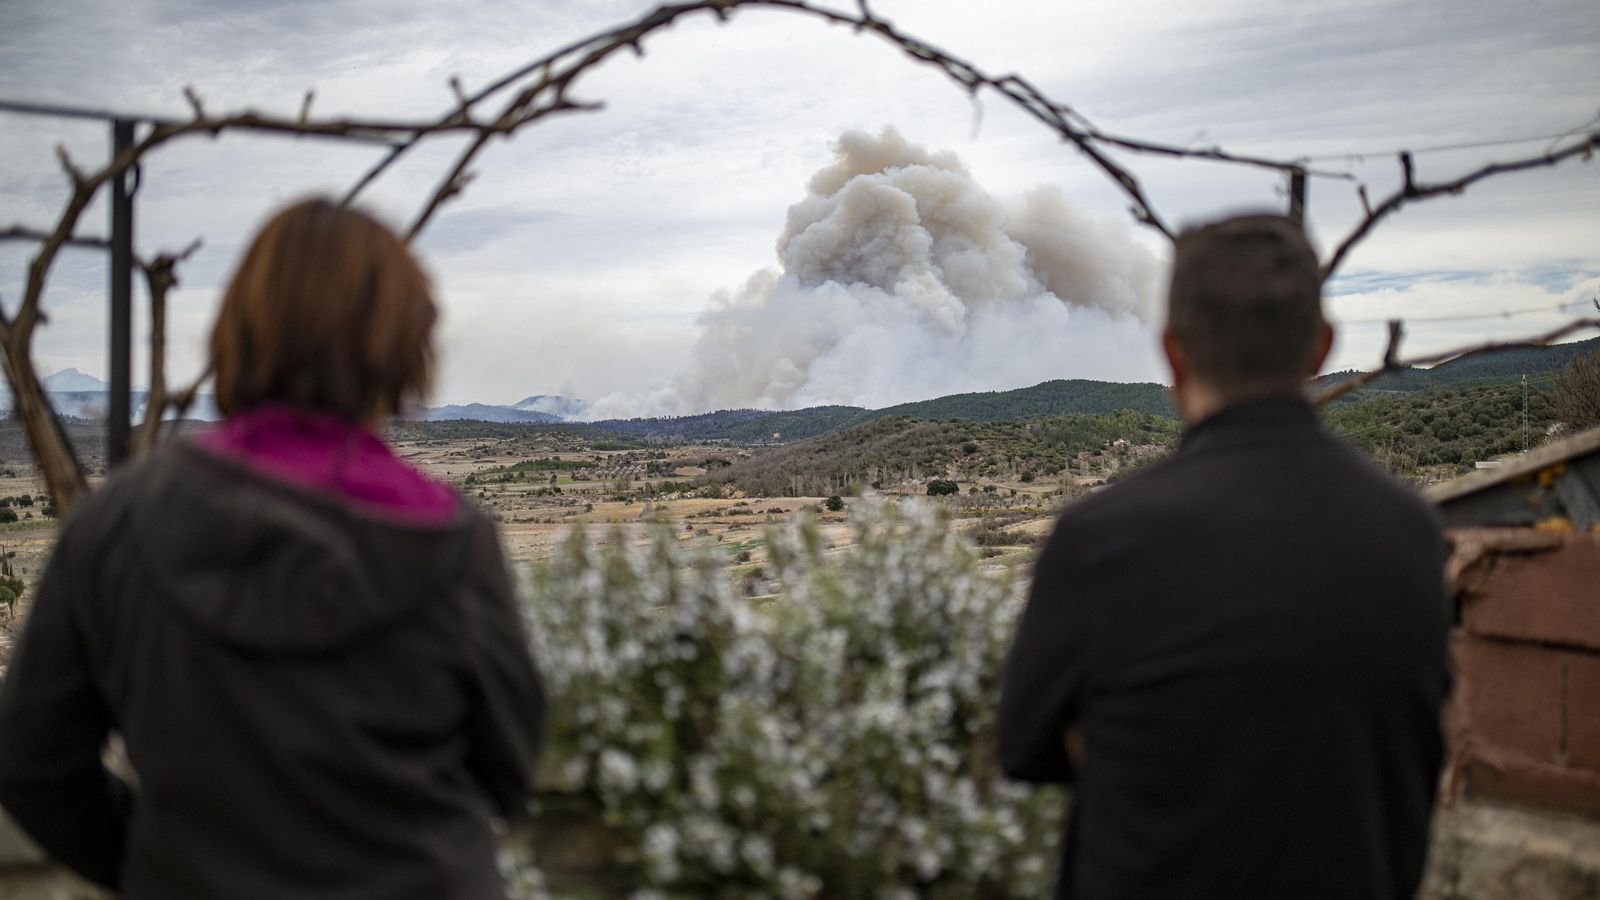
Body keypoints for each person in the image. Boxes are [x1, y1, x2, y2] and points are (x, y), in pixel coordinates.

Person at [0, 198, 545, 899]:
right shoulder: (449, 540)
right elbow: (509, 769)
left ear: (237, 328)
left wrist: (160, 862)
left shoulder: (116, 523)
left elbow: (29, 761)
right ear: (403, 346)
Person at [998, 214, 1450, 899]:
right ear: (1322, 348)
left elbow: (1023, 748)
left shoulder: (1102, 540)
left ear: (1174, 354)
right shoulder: (1411, 529)